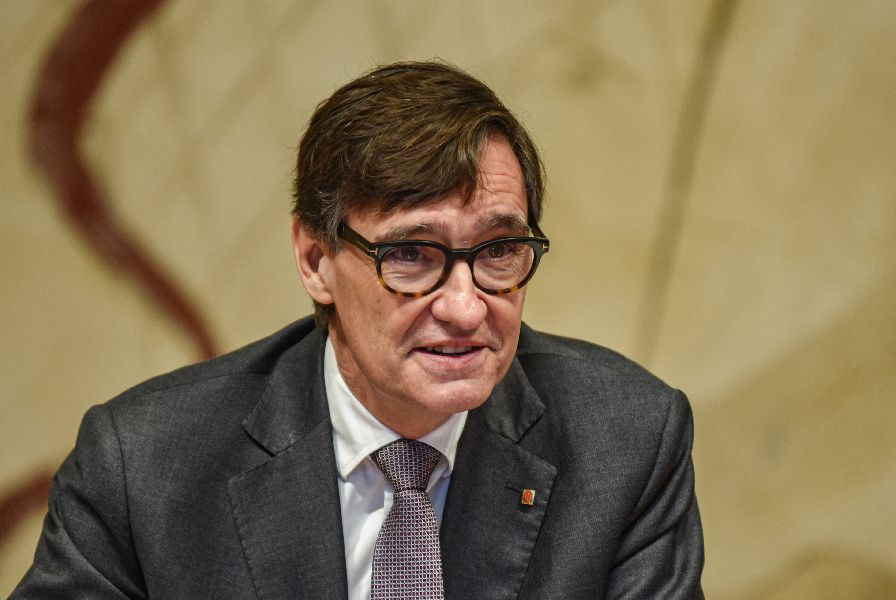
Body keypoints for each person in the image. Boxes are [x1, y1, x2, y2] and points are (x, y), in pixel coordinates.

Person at [13, 61, 704, 598]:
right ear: (316, 260)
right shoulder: (145, 467)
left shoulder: (625, 441)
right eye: (411, 255)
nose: (466, 308)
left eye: (498, 251)